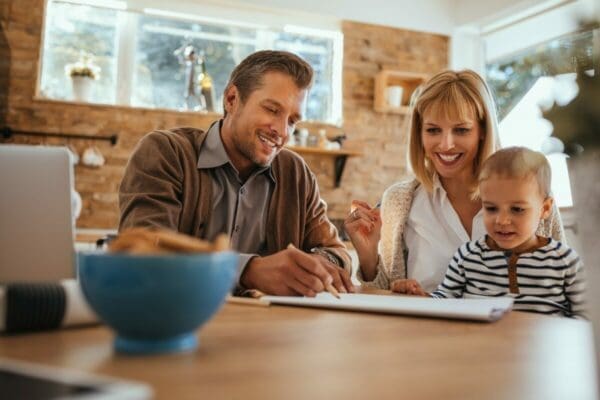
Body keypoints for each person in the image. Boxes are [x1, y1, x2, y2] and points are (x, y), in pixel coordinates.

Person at [119, 50, 353, 296]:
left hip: (271, 328)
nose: (282, 132)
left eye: (293, 120)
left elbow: (336, 251)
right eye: (272, 110)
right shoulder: (166, 152)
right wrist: (247, 270)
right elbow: (142, 250)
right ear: (231, 99)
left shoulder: (295, 173)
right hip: (179, 323)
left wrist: (317, 262)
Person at [345, 69, 566, 291]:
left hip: (512, 326)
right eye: (433, 130)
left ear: (482, 130)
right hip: (422, 326)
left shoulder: (532, 197)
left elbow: (561, 288)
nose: (446, 144)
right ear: (420, 134)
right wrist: (368, 256)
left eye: (461, 130)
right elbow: (385, 296)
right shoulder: (399, 202)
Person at [392, 147, 586, 318]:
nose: (501, 220)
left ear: (545, 209)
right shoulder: (467, 256)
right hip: (478, 352)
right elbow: (443, 302)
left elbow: (587, 321)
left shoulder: (566, 262)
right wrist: (419, 296)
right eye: (491, 208)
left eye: (517, 209)